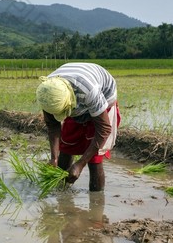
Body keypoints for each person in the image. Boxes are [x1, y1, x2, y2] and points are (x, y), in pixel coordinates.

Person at [35, 62, 120, 191]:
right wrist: (54, 158)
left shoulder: (90, 91)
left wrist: (80, 164)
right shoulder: (48, 94)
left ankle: (96, 201)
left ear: (68, 103)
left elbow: (104, 129)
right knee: (67, 146)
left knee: (94, 159)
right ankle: (61, 194)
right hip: (75, 99)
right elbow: (53, 126)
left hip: (104, 100)